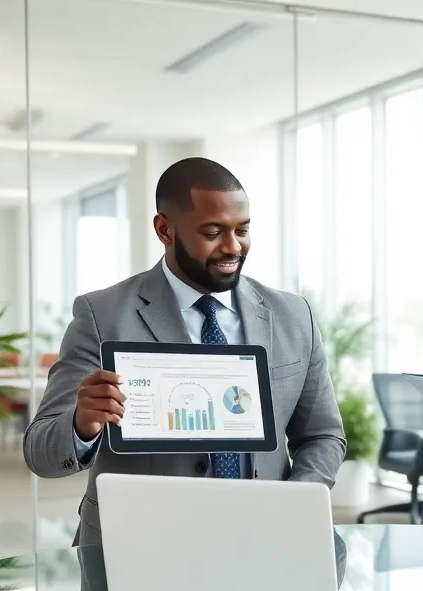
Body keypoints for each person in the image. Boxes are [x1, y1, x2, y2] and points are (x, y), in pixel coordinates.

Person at [24, 157, 346, 546]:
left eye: (242, 230)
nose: (233, 246)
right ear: (165, 230)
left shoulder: (292, 315)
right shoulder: (102, 315)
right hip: (136, 548)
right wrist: (82, 425)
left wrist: (296, 502)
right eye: (213, 232)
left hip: (262, 542)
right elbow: (40, 452)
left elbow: (324, 435)